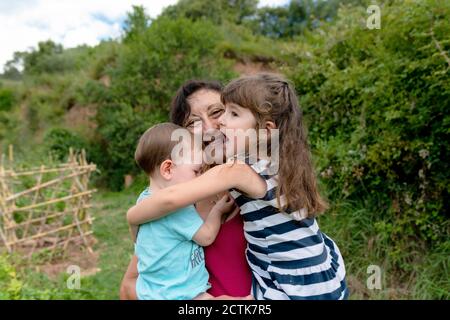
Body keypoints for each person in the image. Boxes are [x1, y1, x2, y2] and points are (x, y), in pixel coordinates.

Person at [126, 73, 349, 300]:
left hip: (293, 288)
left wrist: (133, 216)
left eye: (223, 112)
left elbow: (168, 199)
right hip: (310, 283)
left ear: (264, 129)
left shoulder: (239, 171)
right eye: (193, 123)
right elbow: (132, 284)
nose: (215, 125)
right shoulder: (280, 166)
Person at [120, 80, 252, 300]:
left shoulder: (259, 184)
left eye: (217, 112)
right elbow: (129, 286)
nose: (209, 128)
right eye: (193, 122)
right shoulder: (176, 198)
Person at [131, 123, 235, 299]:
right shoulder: (176, 208)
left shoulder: (144, 199)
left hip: (152, 291)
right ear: (168, 169)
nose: (201, 177)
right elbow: (206, 236)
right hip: (180, 293)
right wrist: (217, 210)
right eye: (196, 171)